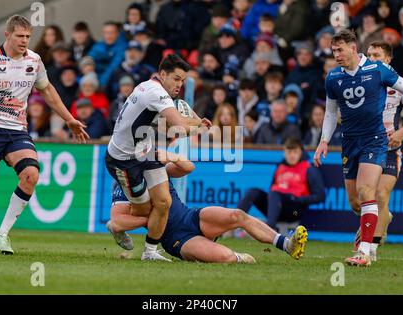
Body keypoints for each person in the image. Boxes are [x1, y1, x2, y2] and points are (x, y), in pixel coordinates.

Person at [0, 15, 89, 255]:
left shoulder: (35, 60)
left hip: (16, 130)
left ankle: (1, 236)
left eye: (28, 37)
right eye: (20, 36)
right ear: (7, 35)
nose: (24, 41)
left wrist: (69, 119)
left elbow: (48, 91)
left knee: (31, 175)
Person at [314, 29, 403, 267]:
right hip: (349, 141)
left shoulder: (378, 69)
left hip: (376, 139)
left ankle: (365, 252)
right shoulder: (333, 77)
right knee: (355, 202)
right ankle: (376, 220)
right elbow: (330, 112)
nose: (336, 54)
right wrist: (324, 140)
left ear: (353, 47)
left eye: (340, 49)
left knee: (369, 191)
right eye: (333, 50)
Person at [107, 149, 308, 263]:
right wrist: (154, 219)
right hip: (175, 239)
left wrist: (169, 155)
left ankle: (286, 244)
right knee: (226, 257)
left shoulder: (155, 168)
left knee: (238, 215)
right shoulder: (124, 182)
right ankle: (235, 257)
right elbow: (117, 220)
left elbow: (188, 167)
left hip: (192, 217)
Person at [105, 54, 211, 261]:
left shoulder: (151, 87)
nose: (180, 84)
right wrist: (199, 125)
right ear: (163, 75)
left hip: (146, 152)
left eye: (183, 81)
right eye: (176, 79)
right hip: (123, 161)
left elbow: (175, 126)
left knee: (164, 202)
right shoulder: (156, 93)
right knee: (144, 210)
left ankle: (150, 252)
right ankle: (116, 226)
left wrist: (195, 124)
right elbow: (178, 126)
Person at [350, 41, 403, 261]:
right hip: (366, 145)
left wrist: (402, 133)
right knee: (359, 201)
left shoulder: (398, 84)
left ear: (388, 59)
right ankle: (382, 217)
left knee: (380, 193)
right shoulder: (363, 79)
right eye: (368, 54)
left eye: (376, 55)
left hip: (390, 148)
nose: (371, 58)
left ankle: (371, 248)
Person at [238, 138, 325, 231]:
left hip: (295, 211)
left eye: (295, 152)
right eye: (289, 152)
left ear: (301, 152)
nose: (292, 155)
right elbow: (272, 190)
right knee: (253, 192)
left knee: (275, 193)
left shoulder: (309, 169)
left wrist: (298, 199)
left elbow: (320, 196)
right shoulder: (280, 167)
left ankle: (269, 229)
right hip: (276, 207)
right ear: (284, 153)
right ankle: (234, 223)